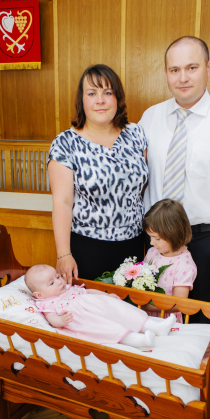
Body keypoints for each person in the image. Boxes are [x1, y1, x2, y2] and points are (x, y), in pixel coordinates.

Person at [139, 36, 210, 322]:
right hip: (157, 241)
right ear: (166, 73)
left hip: (205, 240)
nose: (183, 78)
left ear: (209, 68)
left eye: (192, 68)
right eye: (174, 70)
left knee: (203, 322)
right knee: (154, 316)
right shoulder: (150, 118)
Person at [48, 64, 148, 283]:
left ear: (117, 98)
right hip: (88, 248)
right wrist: (63, 254)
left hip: (134, 246)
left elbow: (142, 190)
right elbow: (62, 202)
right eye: (92, 93)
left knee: (130, 304)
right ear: (82, 100)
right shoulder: (66, 143)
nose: (100, 100)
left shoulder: (136, 134)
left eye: (108, 93)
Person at [25, 264, 176, 348]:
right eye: (52, 282)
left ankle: (156, 326)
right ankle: (139, 340)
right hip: (84, 320)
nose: (59, 282)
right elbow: (52, 319)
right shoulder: (47, 303)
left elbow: (88, 291)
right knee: (106, 328)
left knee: (120, 309)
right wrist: (61, 320)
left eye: (58, 277)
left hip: (100, 307)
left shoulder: (68, 289)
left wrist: (106, 296)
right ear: (39, 294)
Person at [143, 199, 197, 322]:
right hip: (145, 318)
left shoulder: (184, 265)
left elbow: (178, 304)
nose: (152, 243)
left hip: (167, 321)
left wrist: (145, 306)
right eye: (150, 237)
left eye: (157, 238)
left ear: (174, 234)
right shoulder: (152, 252)